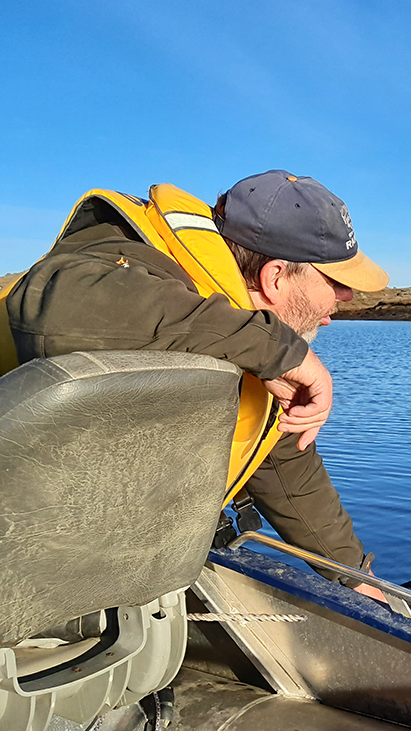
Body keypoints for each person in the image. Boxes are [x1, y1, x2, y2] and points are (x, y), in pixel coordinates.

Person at [2, 170, 390, 600]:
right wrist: (280, 350)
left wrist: (355, 577)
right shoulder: (121, 264)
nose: (347, 297)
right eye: (336, 282)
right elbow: (54, 307)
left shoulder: (245, 337)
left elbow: (282, 463)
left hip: (97, 571)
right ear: (276, 276)